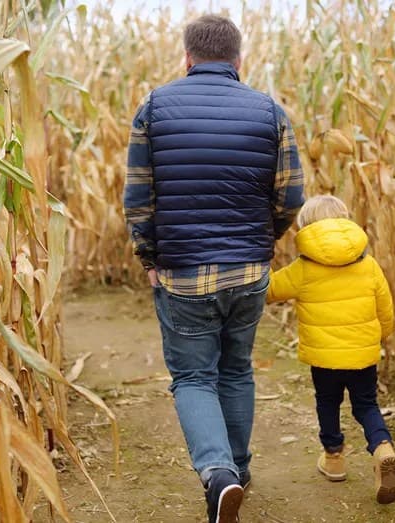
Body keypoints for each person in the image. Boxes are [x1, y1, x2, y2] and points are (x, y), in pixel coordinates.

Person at [123, 14, 304, 523]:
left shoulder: (154, 108)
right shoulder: (269, 111)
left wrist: (149, 256)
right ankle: (239, 471)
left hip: (182, 272)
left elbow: (138, 196)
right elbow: (290, 195)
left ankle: (219, 474)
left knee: (193, 376)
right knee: (236, 368)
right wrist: (264, 239)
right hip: (247, 271)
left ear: (187, 58)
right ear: (238, 59)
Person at [266, 195, 395, 504]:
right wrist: (380, 337)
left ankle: (334, 458)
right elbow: (385, 308)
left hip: (324, 359)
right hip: (362, 354)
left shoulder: (303, 269)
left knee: (327, 403)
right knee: (366, 405)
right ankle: (383, 449)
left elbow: (270, 291)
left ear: (307, 227)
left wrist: (261, 259)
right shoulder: (367, 264)